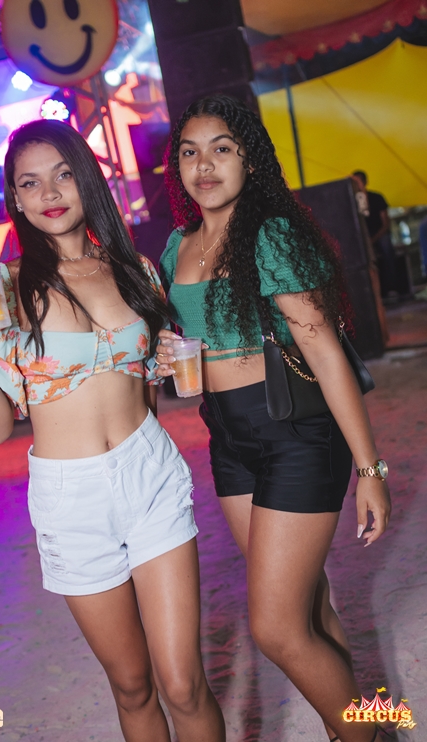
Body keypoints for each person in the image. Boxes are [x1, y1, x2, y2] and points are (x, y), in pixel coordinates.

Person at [0, 119, 225, 742]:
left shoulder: (135, 269)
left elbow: (148, 386)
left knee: (183, 683)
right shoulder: (5, 289)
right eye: (30, 183)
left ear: (87, 179)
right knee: (133, 686)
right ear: (15, 199)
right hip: (71, 498)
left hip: (148, 474)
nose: (49, 193)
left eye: (63, 174)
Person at [156, 96, 391, 742]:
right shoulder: (177, 245)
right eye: (189, 152)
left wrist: (369, 469)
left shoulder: (270, 237)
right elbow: (188, 339)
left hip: (295, 433)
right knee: (308, 606)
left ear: (250, 161)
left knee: (277, 628)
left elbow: (324, 351)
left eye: (221, 149)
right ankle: (360, 729)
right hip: (228, 438)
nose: (204, 165)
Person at [352, 170, 397, 300]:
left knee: (386, 246)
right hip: (362, 237)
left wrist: (373, 239)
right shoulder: (352, 201)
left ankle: (392, 287)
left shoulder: (377, 197)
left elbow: (385, 223)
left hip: (378, 234)